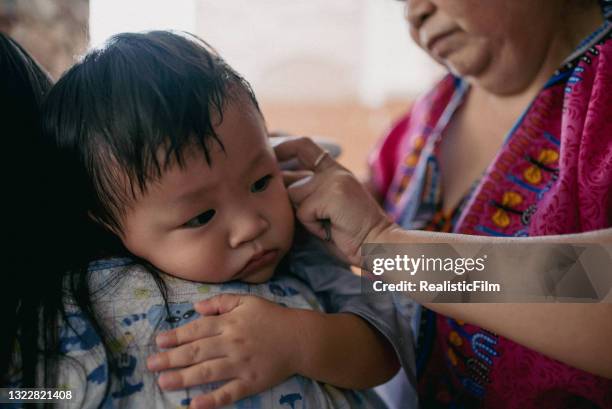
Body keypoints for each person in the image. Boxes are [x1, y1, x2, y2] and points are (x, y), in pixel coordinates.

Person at [37, 31, 416, 409]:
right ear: (107, 224)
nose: (251, 225)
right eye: (202, 216)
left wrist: (298, 341)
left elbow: (385, 349)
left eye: (261, 181)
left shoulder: (303, 249)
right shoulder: (69, 292)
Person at [267, 0, 612, 408]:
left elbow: (598, 280)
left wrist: (386, 247)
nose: (413, 13)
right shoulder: (431, 113)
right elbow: (370, 205)